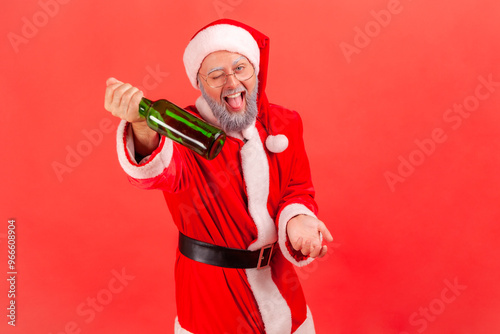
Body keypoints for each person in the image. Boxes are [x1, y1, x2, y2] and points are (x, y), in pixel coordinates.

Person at [104, 19, 333, 334]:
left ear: (255, 71)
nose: (232, 82)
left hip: (280, 283)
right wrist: (141, 125)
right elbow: (158, 170)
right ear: (199, 84)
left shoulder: (286, 123)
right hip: (211, 292)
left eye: (240, 69)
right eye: (216, 75)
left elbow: (297, 190)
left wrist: (299, 222)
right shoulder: (184, 132)